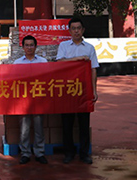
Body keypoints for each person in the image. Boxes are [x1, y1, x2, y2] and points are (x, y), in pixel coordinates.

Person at [56, 17, 99, 164]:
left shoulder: (90, 48)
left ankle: (84, 154)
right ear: (69, 31)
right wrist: (78, 59)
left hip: (84, 91)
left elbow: (93, 69)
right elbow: (59, 62)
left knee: (83, 124)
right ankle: (69, 153)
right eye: (73, 28)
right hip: (67, 90)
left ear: (83, 30)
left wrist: (94, 90)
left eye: (78, 28)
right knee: (67, 124)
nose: (76, 31)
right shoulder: (63, 46)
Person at [13, 35, 48, 164]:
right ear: (22, 47)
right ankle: (25, 153)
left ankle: (39, 153)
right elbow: (14, 81)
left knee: (39, 127)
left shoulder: (43, 62)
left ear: (35, 47)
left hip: (38, 99)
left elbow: (47, 79)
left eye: (31, 45)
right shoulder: (17, 63)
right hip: (23, 101)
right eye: (26, 45)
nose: (29, 48)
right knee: (24, 129)